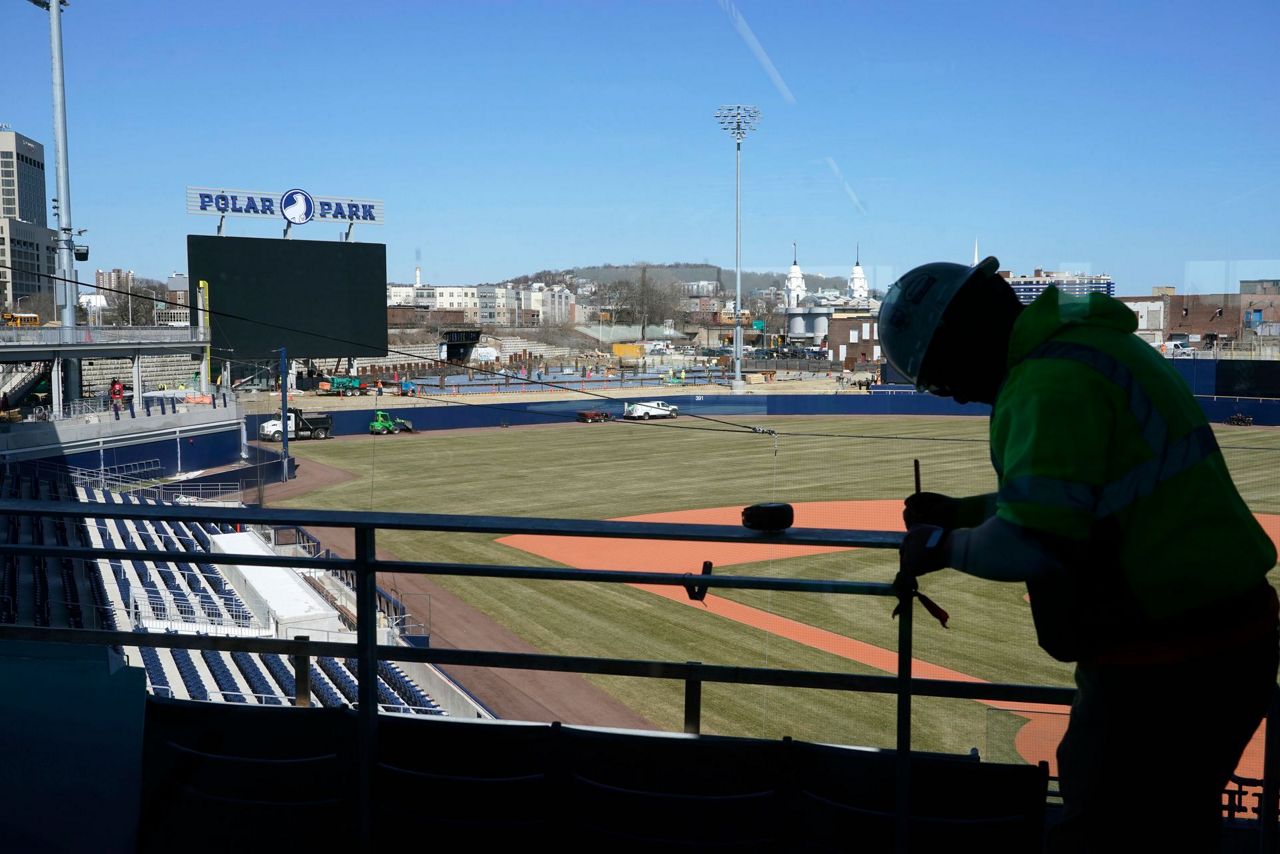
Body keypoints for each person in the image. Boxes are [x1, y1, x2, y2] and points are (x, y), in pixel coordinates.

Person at [880, 256, 1278, 852]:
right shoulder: (1090, 346)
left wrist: (942, 543)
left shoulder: (1045, 383)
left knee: (1105, 826)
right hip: (1221, 643)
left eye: (941, 380)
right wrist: (963, 512)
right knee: (1175, 825)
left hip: (1169, 664)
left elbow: (1032, 541)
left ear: (958, 342)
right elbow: (1079, 497)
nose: (958, 397)